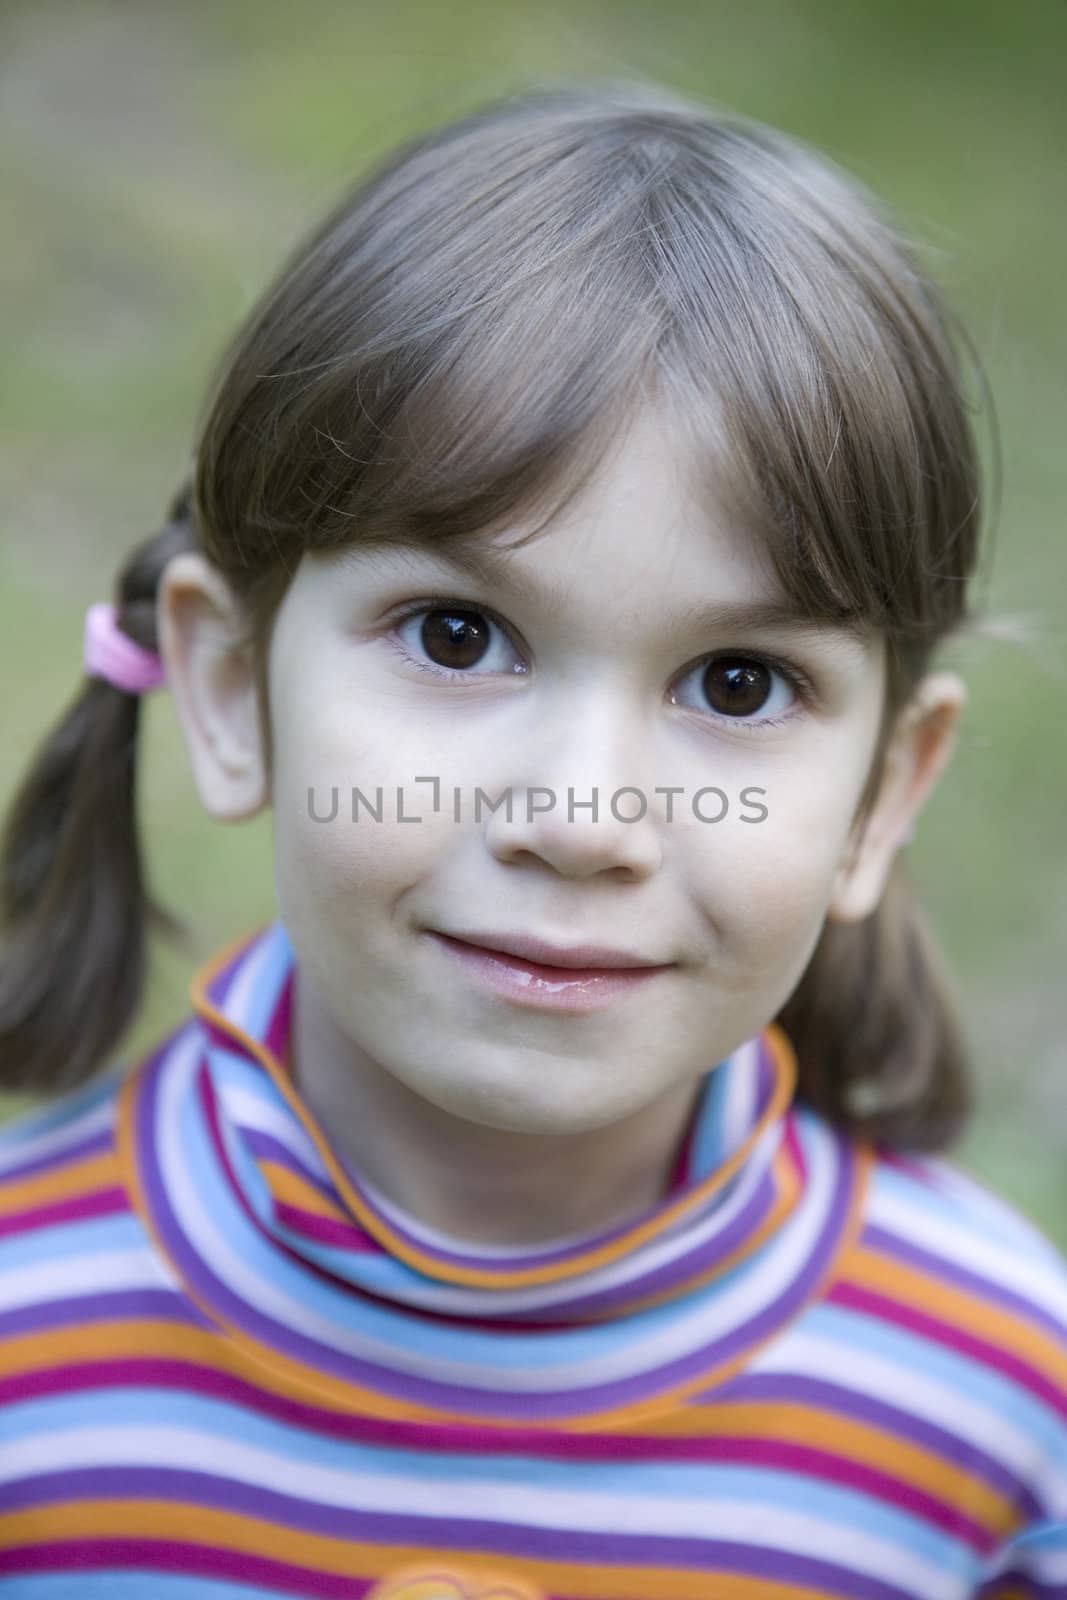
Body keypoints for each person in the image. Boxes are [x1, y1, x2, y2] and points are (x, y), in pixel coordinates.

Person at [0, 78, 1063, 1600]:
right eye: (455, 635)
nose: (583, 819)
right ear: (231, 688)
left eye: (739, 682)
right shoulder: (27, 1348)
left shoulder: (997, 1416)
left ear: (886, 794)